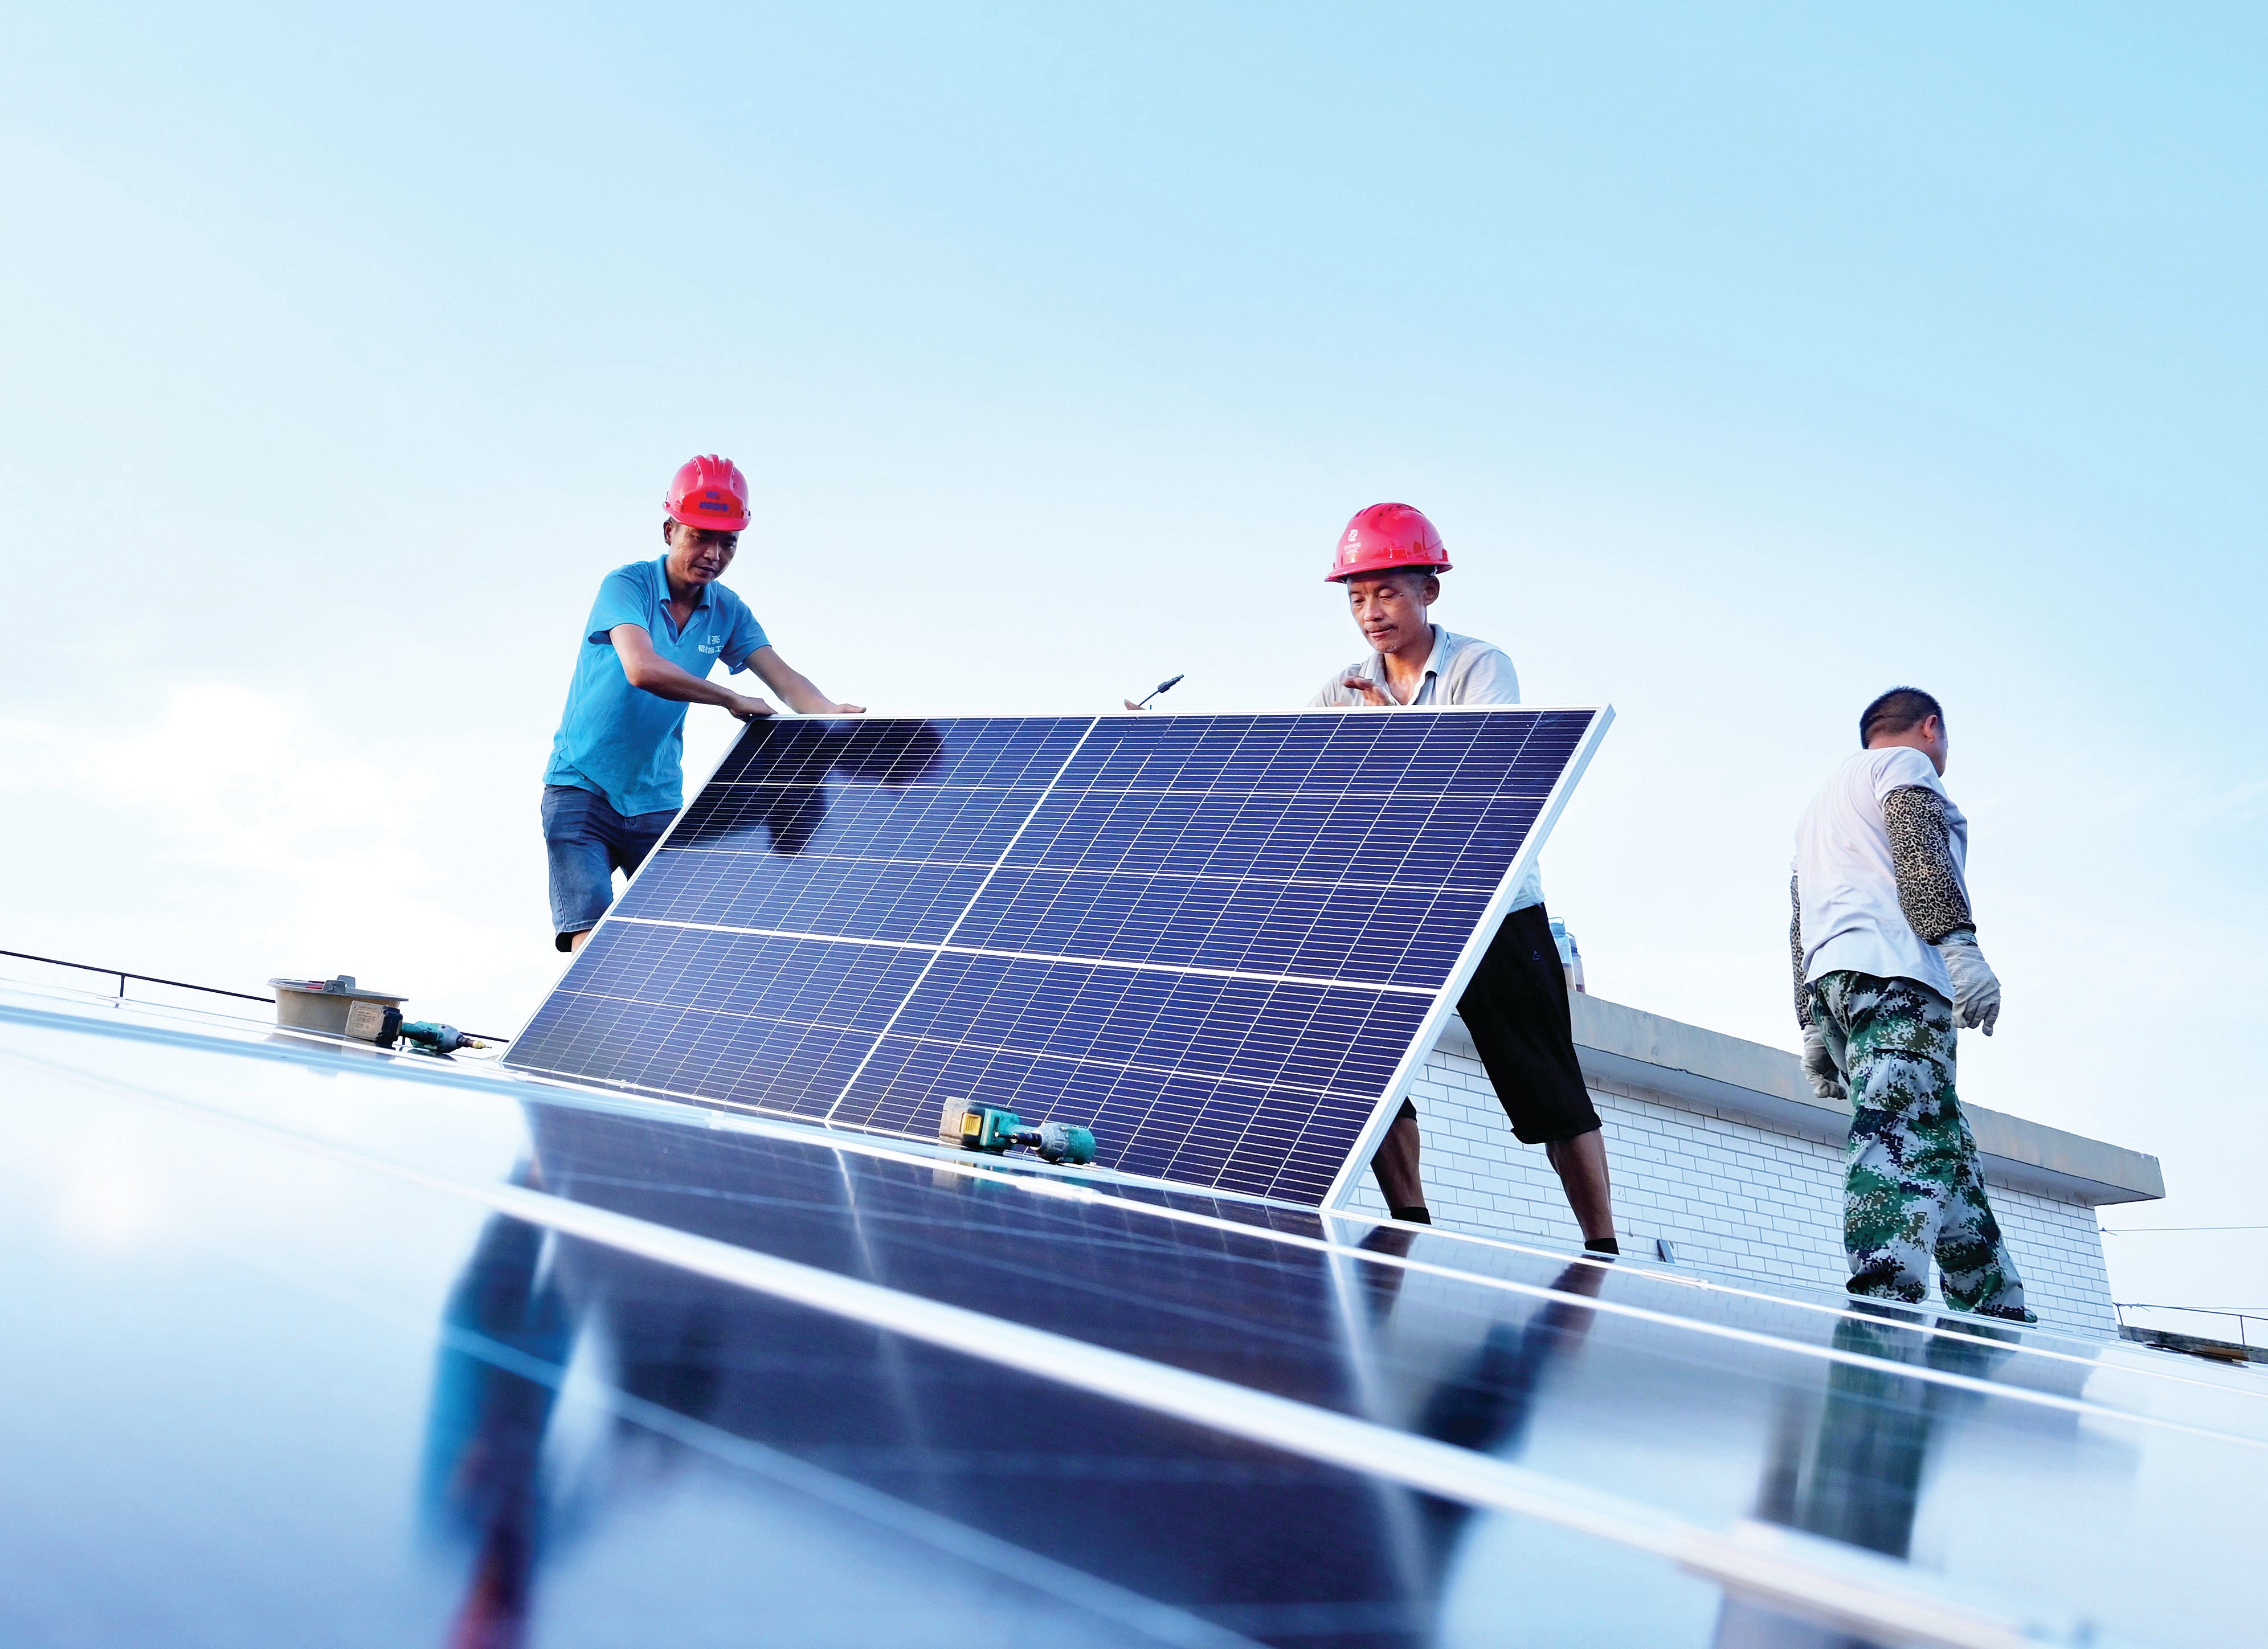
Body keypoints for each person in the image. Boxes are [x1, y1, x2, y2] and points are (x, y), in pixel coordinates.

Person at [1312, 502, 1620, 1253]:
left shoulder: (1481, 666)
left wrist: (1386, 721)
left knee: (1546, 1080)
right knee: (1366, 1062)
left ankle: (1604, 1245)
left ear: (1430, 590)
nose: (1370, 612)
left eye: (1386, 591)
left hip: (1494, 905)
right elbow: (1328, 798)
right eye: (1356, 597)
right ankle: (1409, 1218)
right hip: (1391, 905)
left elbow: (1477, 776)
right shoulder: (1337, 689)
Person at [541, 455, 863, 954]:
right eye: (700, 536)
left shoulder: (728, 610)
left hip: (657, 799)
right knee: (593, 940)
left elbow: (783, 679)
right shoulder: (627, 586)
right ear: (670, 529)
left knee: (685, 944)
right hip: (582, 788)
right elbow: (641, 668)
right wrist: (729, 697)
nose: (714, 552)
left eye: (728, 541)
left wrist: (826, 710)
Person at [1789, 687, 2033, 1322]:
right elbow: (1919, 845)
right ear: (1931, 728)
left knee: (1942, 1143)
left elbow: (1800, 911)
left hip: (1839, 981)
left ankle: (1994, 1305)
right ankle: (1883, 1301)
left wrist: (1813, 1022)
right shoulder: (1906, 765)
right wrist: (1959, 945)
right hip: (1897, 976)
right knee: (1900, 1132)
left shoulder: (1821, 806)